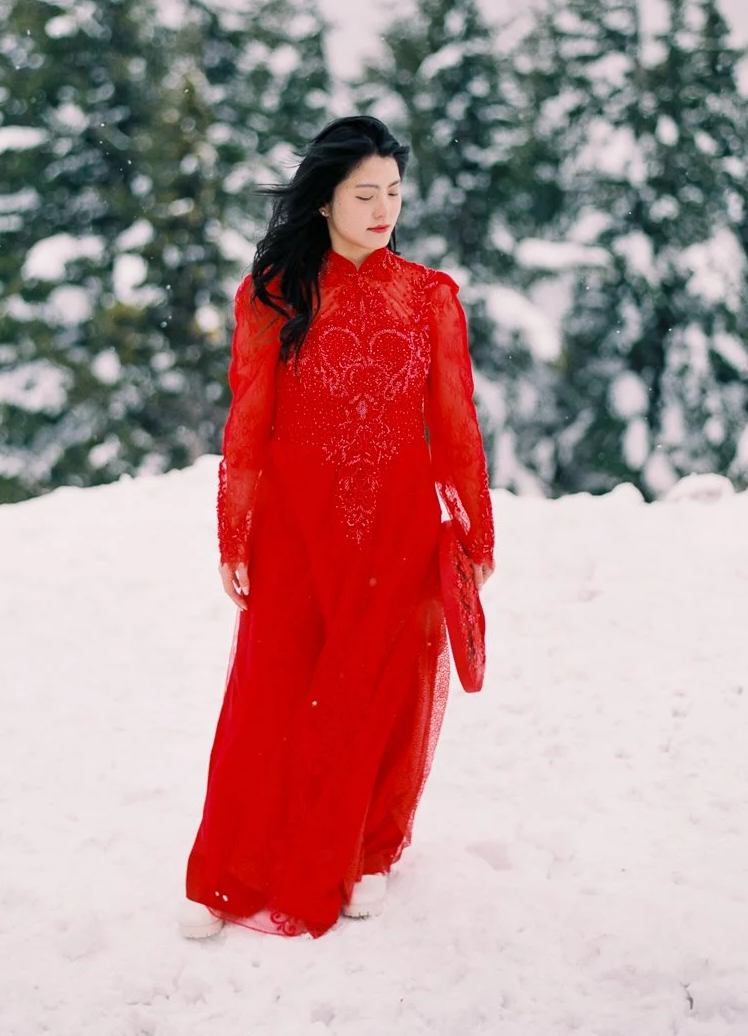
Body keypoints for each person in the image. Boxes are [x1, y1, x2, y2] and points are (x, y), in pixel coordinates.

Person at [180, 115, 495, 940]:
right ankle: (232, 867)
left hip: (394, 513)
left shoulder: (430, 296)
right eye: (366, 193)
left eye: (394, 191)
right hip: (294, 515)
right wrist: (234, 530)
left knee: (372, 685)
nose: (385, 207)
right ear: (325, 200)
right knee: (273, 680)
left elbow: (455, 420)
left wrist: (473, 530)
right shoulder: (273, 290)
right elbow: (247, 417)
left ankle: (363, 852)